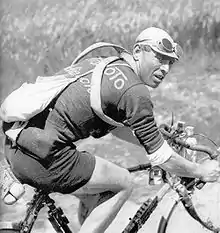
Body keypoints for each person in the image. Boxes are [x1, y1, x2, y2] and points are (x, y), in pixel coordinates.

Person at [1, 27, 220, 233]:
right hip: (46, 158)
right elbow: (162, 158)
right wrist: (200, 171)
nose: (165, 68)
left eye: (170, 62)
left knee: (96, 193)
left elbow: (116, 129)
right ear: (137, 51)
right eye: (159, 58)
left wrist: (156, 138)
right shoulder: (135, 92)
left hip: (16, 144)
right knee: (124, 182)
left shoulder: (106, 64)